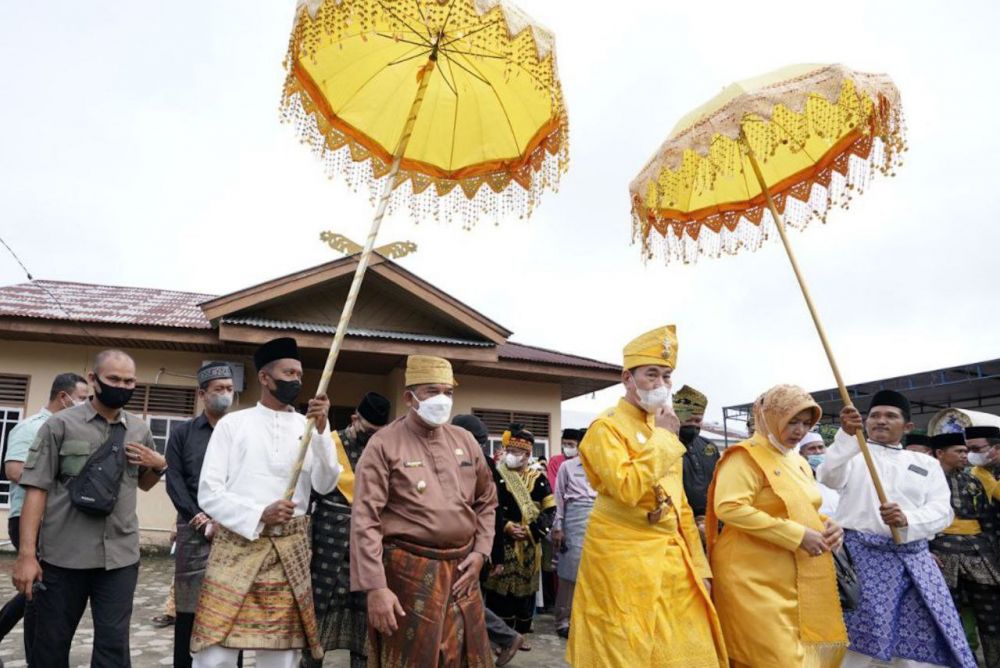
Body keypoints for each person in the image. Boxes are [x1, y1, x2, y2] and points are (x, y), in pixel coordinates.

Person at [567, 325, 726, 668]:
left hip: (672, 556)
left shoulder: (660, 427)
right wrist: (668, 441)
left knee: (689, 649)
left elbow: (680, 504)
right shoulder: (605, 428)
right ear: (628, 377)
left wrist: (701, 567)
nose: (661, 384)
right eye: (651, 374)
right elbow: (626, 487)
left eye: (667, 376)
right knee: (623, 648)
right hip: (621, 560)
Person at [191, 337, 341, 668]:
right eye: (289, 373)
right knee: (216, 650)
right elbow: (209, 492)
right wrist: (260, 513)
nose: (297, 382)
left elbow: (326, 483)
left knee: (282, 653)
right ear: (264, 377)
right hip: (237, 546)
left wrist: (321, 430)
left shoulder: (309, 427)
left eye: (300, 375)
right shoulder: (234, 424)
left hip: (289, 550)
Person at [12, 350, 168, 665]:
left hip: (120, 558)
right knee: (51, 644)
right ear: (94, 379)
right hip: (63, 556)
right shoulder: (60, 425)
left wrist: (160, 464)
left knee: (113, 647)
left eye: (129, 381)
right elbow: (36, 489)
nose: (122, 386)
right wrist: (27, 555)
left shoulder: (139, 429)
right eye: (114, 379)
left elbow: (145, 483)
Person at [350, 355, 497, 668]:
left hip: (462, 572)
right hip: (407, 574)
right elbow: (365, 521)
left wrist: (482, 552)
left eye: (448, 392)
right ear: (409, 398)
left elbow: (487, 499)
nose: (442, 400)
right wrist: (376, 587)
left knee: (465, 658)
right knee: (414, 659)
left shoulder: (466, 441)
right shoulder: (383, 444)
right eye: (432, 391)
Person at [817, 390, 977, 668]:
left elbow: (943, 511)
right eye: (875, 416)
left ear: (907, 427)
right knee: (855, 643)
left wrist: (907, 520)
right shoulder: (853, 456)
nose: (881, 421)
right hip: (860, 562)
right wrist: (845, 436)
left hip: (913, 561)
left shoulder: (925, 464)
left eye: (890, 416)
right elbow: (829, 477)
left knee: (917, 644)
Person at [706, 385, 848, 667]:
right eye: (792, 421)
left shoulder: (797, 461)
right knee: (777, 658)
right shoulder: (744, 456)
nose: (799, 430)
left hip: (795, 575)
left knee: (807, 654)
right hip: (751, 577)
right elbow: (729, 507)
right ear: (770, 417)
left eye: (806, 423)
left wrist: (831, 527)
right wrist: (796, 535)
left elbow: (806, 507)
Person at [0, 372, 88, 660]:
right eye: (83, 398)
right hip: (29, 519)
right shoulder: (31, 427)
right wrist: (58, 478)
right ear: (64, 397)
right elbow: (13, 470)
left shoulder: (77, 429)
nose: (86, 404)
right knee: (38, 593)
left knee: (40, 589)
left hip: (59, 522)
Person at [305, 391, 391, 668]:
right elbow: (310, 493)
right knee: (317, 613)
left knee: (364, 616)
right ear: (355, 419)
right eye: (367, 430)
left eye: (378, 432)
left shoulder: (384, 450)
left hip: (367, 544)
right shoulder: (328, 443)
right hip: (327, 541)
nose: (372, 437)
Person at [165, 362, 236, 668]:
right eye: (218, 389)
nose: (225, 395)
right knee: (188, 609)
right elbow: (175, 481)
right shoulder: (182, 434)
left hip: (233, 530)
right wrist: (201, 521)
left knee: (231, 607)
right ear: (202, 394)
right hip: (193, 528)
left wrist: (227, 520)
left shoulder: (240, 431)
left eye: (230, 389)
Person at [452, 413, 525, 666]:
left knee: (464, 600)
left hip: (474, 548)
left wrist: (493, 555)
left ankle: (503, 639)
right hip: (470, 545)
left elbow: (493, 513)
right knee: (464, 600)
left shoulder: (479, 464)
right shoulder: (465, 459)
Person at [929, 431, 1000, 668]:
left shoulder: (974, 479)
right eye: (959, 451)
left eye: (966, 450)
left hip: (978, 551)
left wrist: (992, 552)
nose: (965, 455)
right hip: (940, 552)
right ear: (940, 453)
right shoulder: (925, 479)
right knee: (948, 613)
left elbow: (988, 519)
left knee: (991, 613)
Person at [483, 425, 555, 644]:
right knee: (500, 593)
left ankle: (521, 635)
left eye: (517, 452)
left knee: (525, 594)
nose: (512, 456)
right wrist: (505, 526)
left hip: (529, 547)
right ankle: (501, 638)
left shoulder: (539, 479)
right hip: (503, 544)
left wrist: (532, 531)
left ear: (528, 454)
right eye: (509, 451)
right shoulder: (497, 475)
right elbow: (488, 508)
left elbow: (550, 510)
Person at [551, 427, 596, 640]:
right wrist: (558, 527)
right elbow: (558, 498)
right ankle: (563, 620)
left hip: (599, 522)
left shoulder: (604, 468)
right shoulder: (567, 467)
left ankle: (586, 620)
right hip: (573, 520)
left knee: (594, 575)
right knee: (569, 574)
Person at [674, 385, 720, 538]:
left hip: (712, 524)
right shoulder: (665, 446)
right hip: (678, 526)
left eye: (698, 420)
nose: (693, 425)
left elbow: (720, 483)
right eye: (688, 420)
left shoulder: (709, 447)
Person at [799, 431, 840, 515]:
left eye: (821, 447)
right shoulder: (798, 476)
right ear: (801, 454)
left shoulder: (836, 472)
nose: (817, 451)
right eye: (812, 448)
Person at [966, 425, 1000, 501]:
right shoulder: (968, 474)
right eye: (968, 449)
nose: (971, 453)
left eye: (975, 448)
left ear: (997, 448)